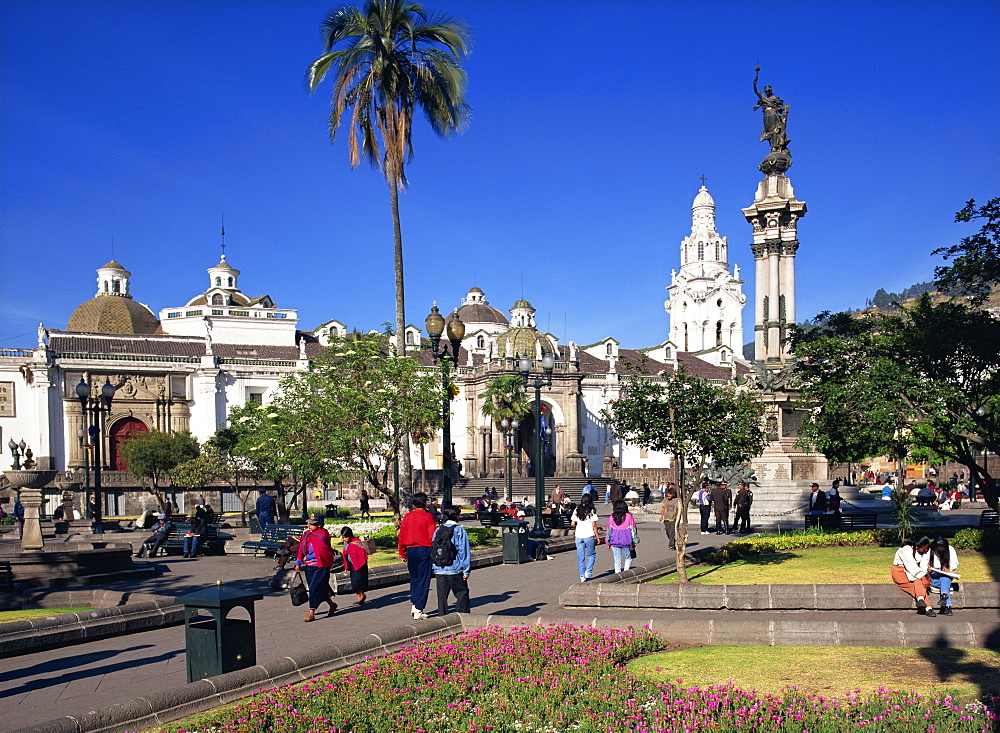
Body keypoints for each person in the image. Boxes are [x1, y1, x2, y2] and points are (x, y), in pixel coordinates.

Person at [397, 492, 437, 620]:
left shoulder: (408, 517)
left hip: (410, 549)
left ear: (413, 504)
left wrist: (402, 552)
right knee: (424, 579)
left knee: (414, 577)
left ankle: (415, 603)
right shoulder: (428, 517)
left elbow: (402, 535)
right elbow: (432, 535)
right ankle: (419, 607)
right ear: (425, 504)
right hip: (424, 549)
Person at [294, 516, 338, 622]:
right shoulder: (306, 534)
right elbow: (301, 548)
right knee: (320, 586)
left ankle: (311, 612)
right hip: (309, 565)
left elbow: (322, 549)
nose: (308, 526)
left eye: (312, 524)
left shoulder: (323, 534)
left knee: (314, 588)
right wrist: (298, 562)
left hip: (321, 566)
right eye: (308, 523)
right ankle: (332, 605)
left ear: (319, 525)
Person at [432, 506, 472, 616]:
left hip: (440, 568)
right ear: (457, 516)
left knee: (442, 597)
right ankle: (462, 617)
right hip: (455, 568)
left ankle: (442, 618)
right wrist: (466, 570)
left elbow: (434, 548)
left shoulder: (438, 530)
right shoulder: (459, 530)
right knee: (461, 593)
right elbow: (463, 551)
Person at [891, 536, 935, 616]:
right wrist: (922, 577)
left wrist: (924, 576)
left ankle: (922, 601)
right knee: (919, 582)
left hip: (914, 573)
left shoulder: (923, 551)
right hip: (901, 572)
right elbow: (911, 566)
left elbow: (922, 566)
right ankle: (928, 607)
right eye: (924, 548)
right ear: (917, 546)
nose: (925, 550)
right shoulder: (906, 549)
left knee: (919, 583)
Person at [571, 493, 600, 583]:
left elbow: (572, 523)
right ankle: (588, 572)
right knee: (591, 554)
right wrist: (597, 536)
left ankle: (582, 576)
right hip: (589, 535)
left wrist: (578, 527)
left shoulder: (577, 509)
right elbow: (594, 525)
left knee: (580, 557)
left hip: (579, 536)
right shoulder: (592, 511)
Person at [927, 536, 959, 616]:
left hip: (945, 573)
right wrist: (928, 569)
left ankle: (944, 597)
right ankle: (947, 606)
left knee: (945, 578)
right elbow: (924, 563)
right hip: (933, 574)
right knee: (944, 584)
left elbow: (955, 563)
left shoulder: (950, 549)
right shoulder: (929, 550)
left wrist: (948, 568)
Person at [339, 526, 369, 605]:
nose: (344, 539)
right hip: (352, 565)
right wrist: (346, 567)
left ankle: (361, 595)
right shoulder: (347, 544)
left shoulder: (357, 542)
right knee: (354, 582)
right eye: (343, 537)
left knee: (359, 581)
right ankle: (359, 596)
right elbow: (345, 556)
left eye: (346, 537)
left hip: (360, 564)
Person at [606, 499, 638, 573]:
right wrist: (635, 540)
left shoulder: (612, 517)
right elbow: (633, 529)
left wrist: (608, 541)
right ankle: (626, 572)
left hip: (614, 541)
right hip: (626, 541)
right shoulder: (629, 516)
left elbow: (608, 530)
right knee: (629, 557)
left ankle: (618, 573)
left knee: (617, 559)